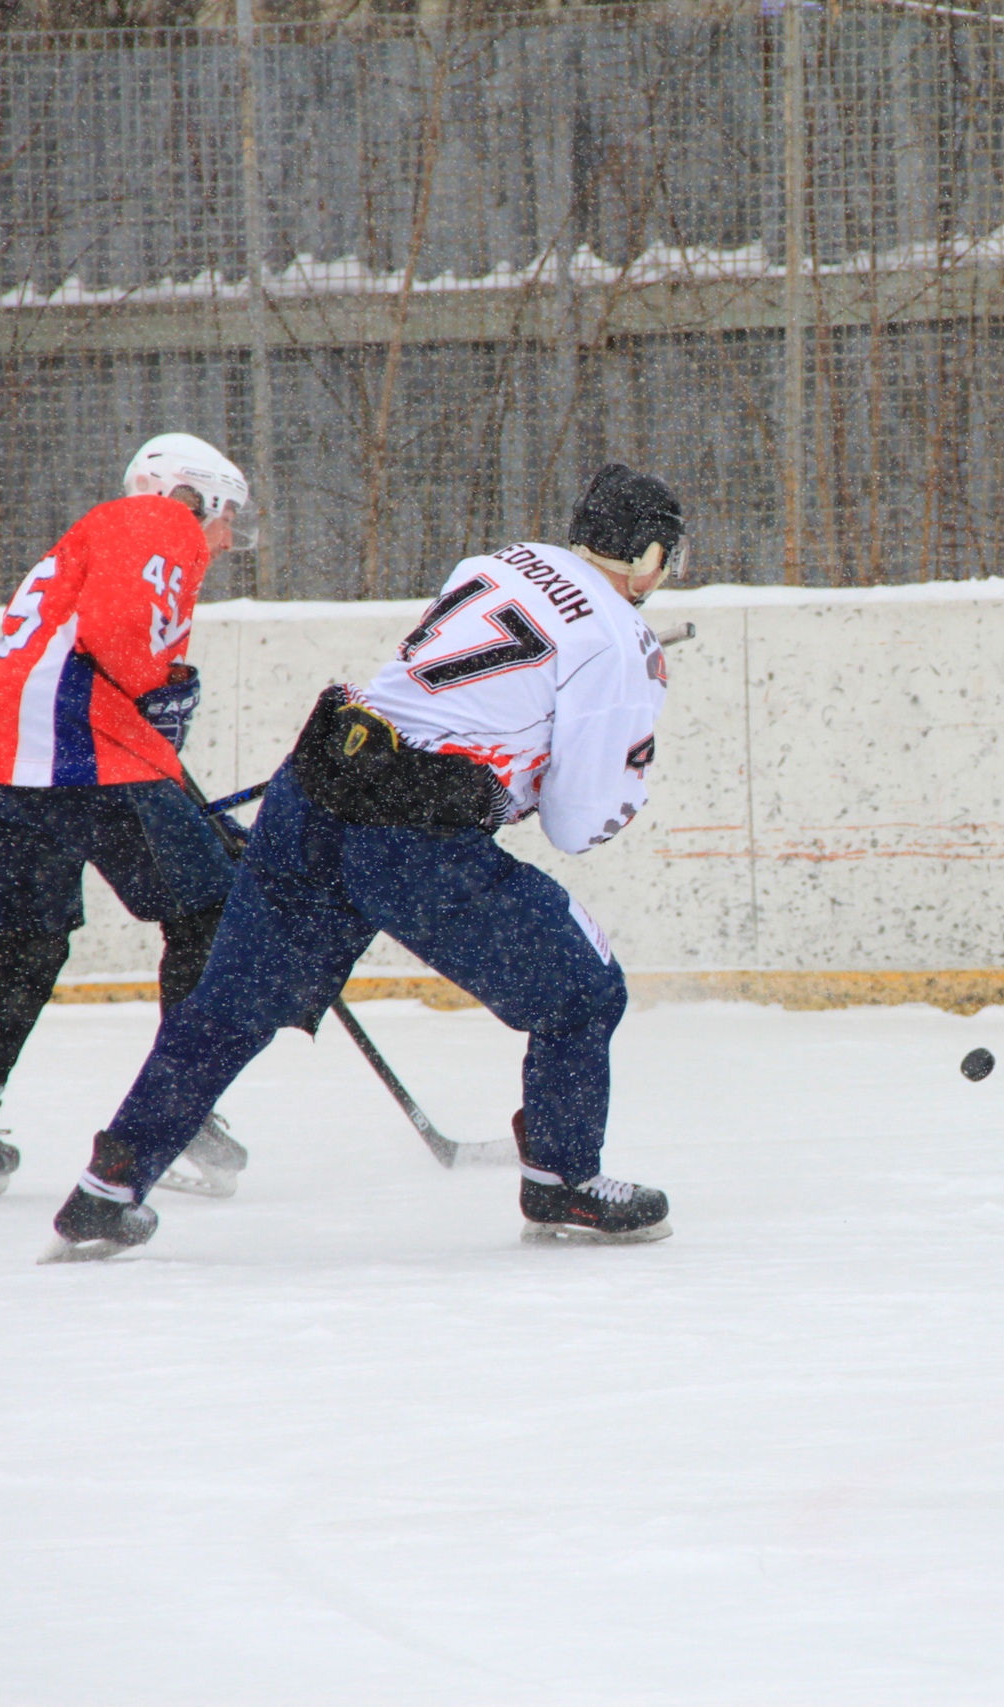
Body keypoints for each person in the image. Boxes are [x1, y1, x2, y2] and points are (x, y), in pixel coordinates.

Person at [41, 463, 687, 1261]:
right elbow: (576, 823)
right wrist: (616, 719)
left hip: (314, 788)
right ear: (650, 556)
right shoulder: (620, 642)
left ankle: (108, 1188)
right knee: (585, 992)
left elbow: (463, 688)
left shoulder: (501, 561)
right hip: (413, 837)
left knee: (228, 1005)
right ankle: (562, 1178)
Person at [0, 433, 260, 1203]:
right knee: (210, 910)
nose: (225, 538)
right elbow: (123, 650)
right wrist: (162, 689)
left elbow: (88, 647)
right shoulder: (158, 520)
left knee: (28, 935)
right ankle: (175, 1114)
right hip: (74, 749)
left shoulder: (95, 534)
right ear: (192, 496)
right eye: (226, 516)